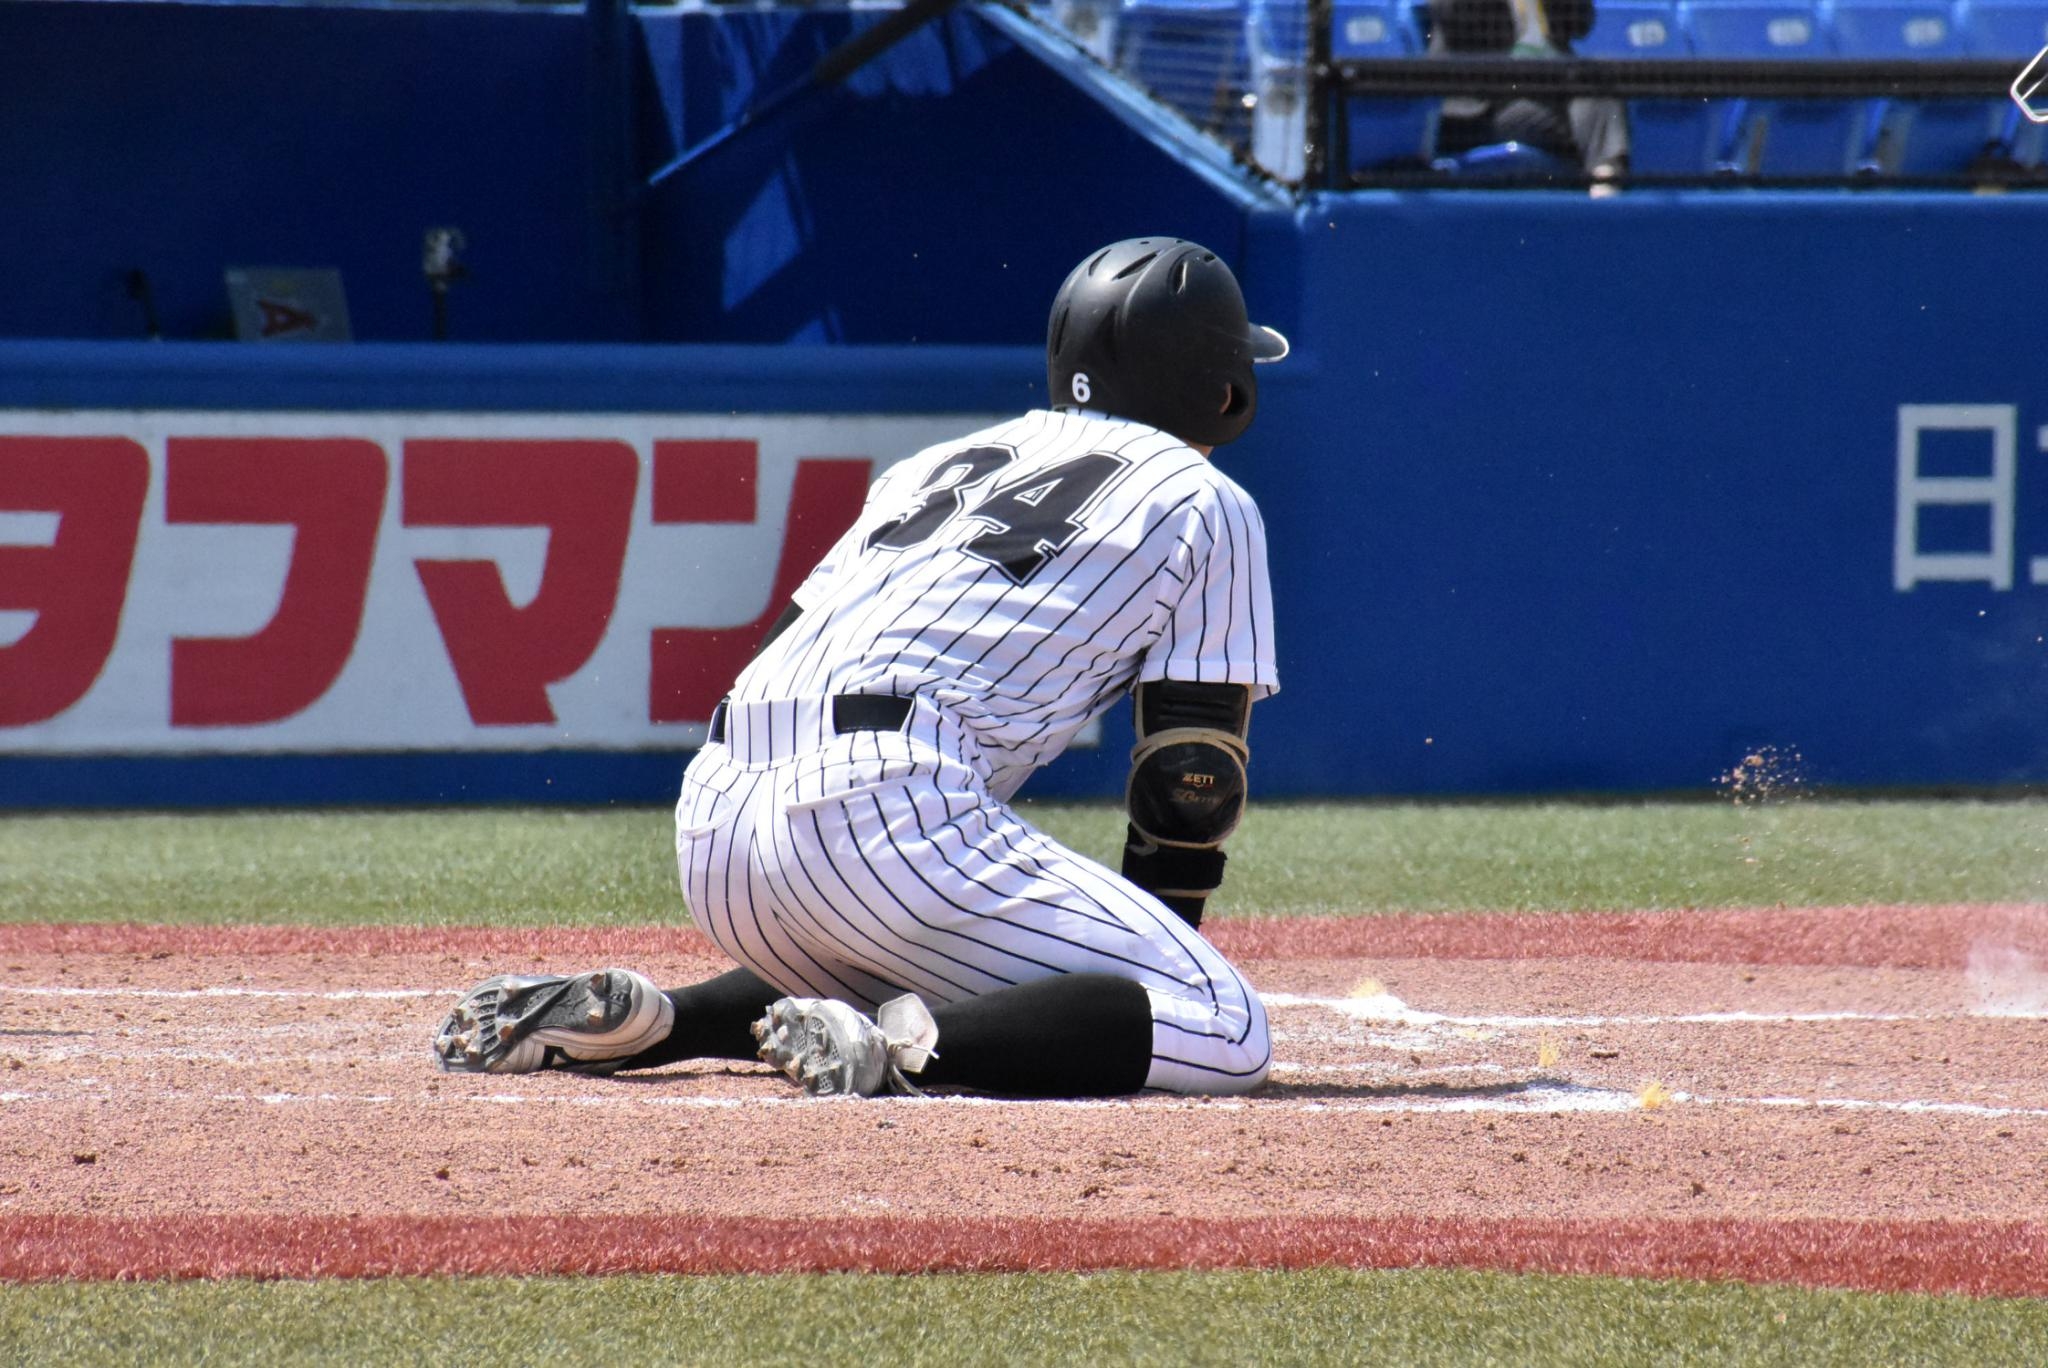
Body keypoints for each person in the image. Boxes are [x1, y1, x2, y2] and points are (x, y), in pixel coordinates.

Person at [431, 237, 1286, 1099]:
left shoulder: (936, 464)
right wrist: (1152, 964)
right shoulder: (1205, 498)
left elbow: (780, 645)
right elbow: (1191, 776)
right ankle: (898, 1051)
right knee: (1227, 1029)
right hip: (886, 811)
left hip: (717, 826)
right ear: (1218, 388)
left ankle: (664, 1021)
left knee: (930, 951)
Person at [1429, 0, 1630, 186]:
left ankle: (1604, 183)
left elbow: (1580, 25)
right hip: (1487, 108)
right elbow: (1451, 12)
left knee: (1597, 82)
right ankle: (1601, 179)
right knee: (1583, 121)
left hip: (1552, 93)